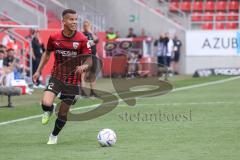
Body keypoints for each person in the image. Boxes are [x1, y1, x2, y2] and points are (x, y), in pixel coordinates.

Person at [32, 9, 92, 145]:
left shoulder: (82, 39)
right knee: (46, 103)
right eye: (71, 19)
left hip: (72, 80)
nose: (74, 22)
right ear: (63, 21)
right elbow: (47, 54)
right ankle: (50, 108)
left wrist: (84, 66)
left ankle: (53, 135)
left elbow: (89, 59)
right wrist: (38, 71)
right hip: (57, 76)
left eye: (76, 19)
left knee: (63, 114)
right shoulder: (54, 37)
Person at [82, 21, 99, 97]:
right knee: (84, 74)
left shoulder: (92, 34)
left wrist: (90, 32)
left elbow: (96, 40)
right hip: (85, 56)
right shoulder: (81, 34)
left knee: (93, 74)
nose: (86, 27)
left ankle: (93, 92)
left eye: (87, 26)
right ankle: (83, 92)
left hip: (93, 56)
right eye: (85, 26)